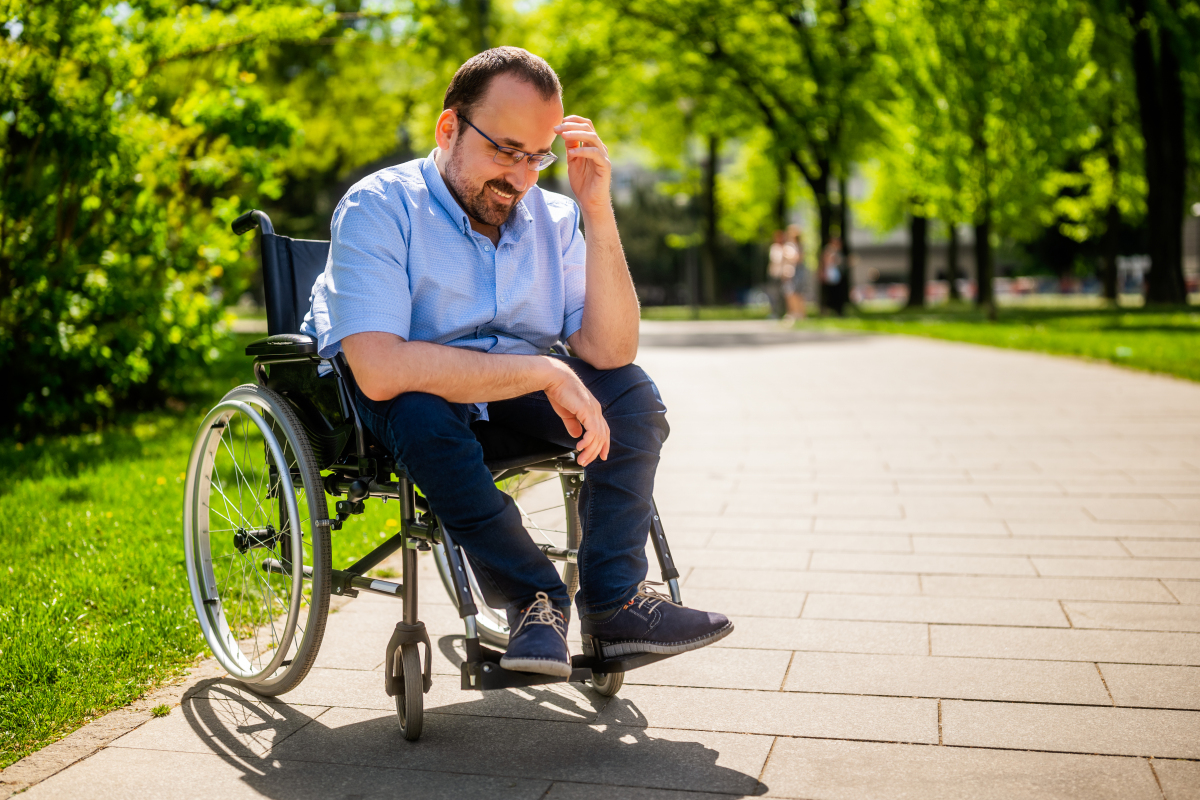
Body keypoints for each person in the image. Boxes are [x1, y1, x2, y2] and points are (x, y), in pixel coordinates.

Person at [300, 47, 731, 678]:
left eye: (537, 156)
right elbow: (380, 369)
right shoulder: (379, 208)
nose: (522, 178)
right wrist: (544, 372)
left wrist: (595, 206)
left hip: (507, 399)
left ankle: (615, 606)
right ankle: (535, 600)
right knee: (420, 411)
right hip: (406, 409)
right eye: (505, 150)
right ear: (449, 129)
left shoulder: (552, 217)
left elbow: (611, 350)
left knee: (631, 395)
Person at [785, 225, 807, 320]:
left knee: (798, 293)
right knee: (790, 293)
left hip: (798, 270)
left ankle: (801, 313)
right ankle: (793, 312)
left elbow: (799, 258)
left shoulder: (800, 246)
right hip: (790, 271)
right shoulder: (789, 245)